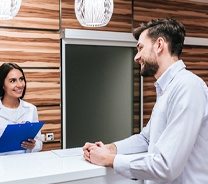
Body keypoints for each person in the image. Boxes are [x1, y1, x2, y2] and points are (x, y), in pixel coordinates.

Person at [83, 18, 208, 184]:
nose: (137, 57)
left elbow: (166, 166)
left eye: (140, 48)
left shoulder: (188, 87)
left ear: (159, 45)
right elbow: (146, 139)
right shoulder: (167, 89)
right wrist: (109, 148)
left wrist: (110, 159)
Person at [0, 62, 42, 156]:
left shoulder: (31, 109)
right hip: (1, 166)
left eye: (21, 79)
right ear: (2, 85)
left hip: (27, 164)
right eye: (12, 81)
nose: (19, 85)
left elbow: (39, 143)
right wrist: (10, 141)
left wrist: (33, 145)